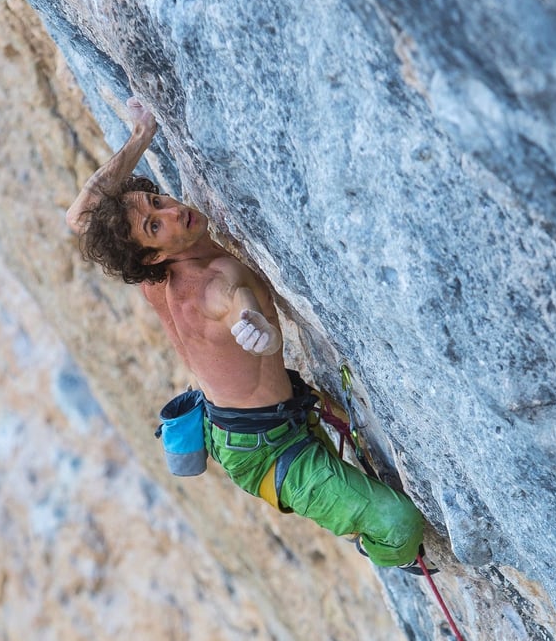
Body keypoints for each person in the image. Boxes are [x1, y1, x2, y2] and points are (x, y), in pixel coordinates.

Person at [66, 98, 425, 569]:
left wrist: (142, 134)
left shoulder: (152, 274)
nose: (172, 212)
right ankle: (385, 553)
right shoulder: (212, 283)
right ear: (153, 254)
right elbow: (237, 302)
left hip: (237, 423)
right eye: (155, 225)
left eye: (157, 201)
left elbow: (81, 216)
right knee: (398, 525)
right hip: (268, 452)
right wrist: (258, 331)